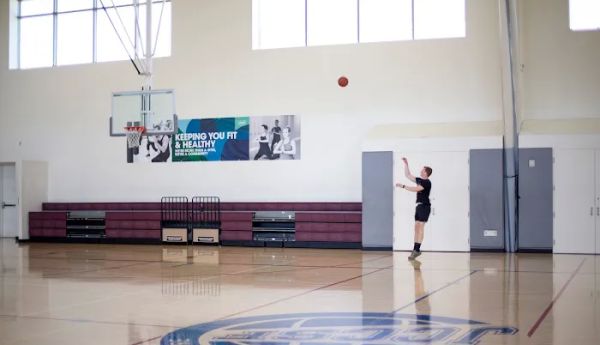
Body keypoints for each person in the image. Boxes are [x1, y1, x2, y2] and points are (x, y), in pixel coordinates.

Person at [396, 157, 433, 260]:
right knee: (416, 227)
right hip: (419, 206)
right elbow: (407, 175)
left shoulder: (427, 183)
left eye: (423, 170)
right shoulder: (420, 180)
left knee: (420, 227)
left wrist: (403, 186)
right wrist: (406, 164)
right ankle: (415, 249)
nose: (421, 171)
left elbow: (416, 189)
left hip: (425, 206)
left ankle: (417, 250)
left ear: (426, 173)